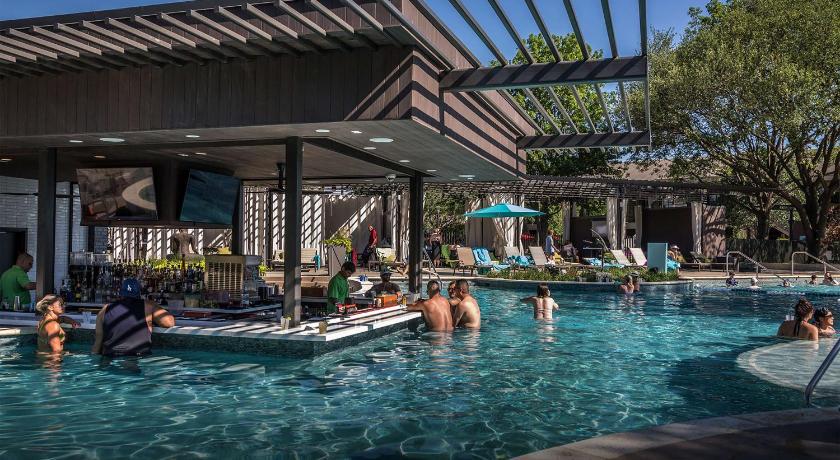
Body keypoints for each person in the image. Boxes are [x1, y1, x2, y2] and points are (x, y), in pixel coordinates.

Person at [92, 278, 175, 356]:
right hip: (137, 358)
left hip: (110, 358)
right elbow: (169, 322)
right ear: (139, 293)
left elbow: (97, 345)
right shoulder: (148, 306)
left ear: (121, 292)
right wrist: (152, 315)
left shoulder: (104, 310)